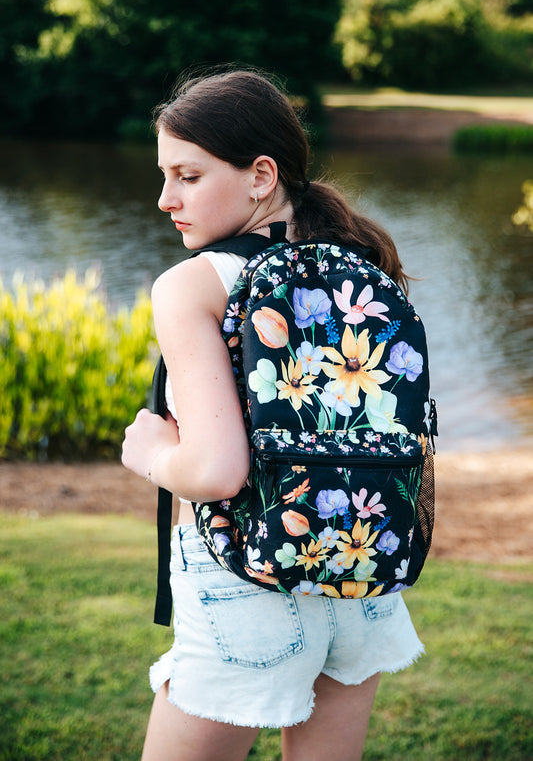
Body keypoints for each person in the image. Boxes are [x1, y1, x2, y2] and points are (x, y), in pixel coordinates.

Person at [121, 68, 424, 761]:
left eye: (186, 175)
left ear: (260, 175)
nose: (165, 198)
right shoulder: (361, 262)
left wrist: (151, 455)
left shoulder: (193, 284)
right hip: (358, 566)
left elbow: (217, 470)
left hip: (244, 579)